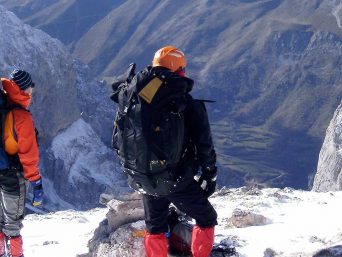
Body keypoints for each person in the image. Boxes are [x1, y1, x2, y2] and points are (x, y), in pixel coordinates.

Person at [140, 46, 218, 257]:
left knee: (154, 227)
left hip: (145, 176)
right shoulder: (186, 105)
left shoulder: (137, 98)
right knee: (207, 218)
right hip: (174, 179)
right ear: (178, 71)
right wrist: (209, 173)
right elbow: (204, 145)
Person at [0, 70, 43, 257]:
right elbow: (29, 155)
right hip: (12, 176)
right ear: (24, 89)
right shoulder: (21, 116)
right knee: (13, 224)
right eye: (30, 88)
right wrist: (36, 182)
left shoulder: (4, 103)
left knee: (1, 221)